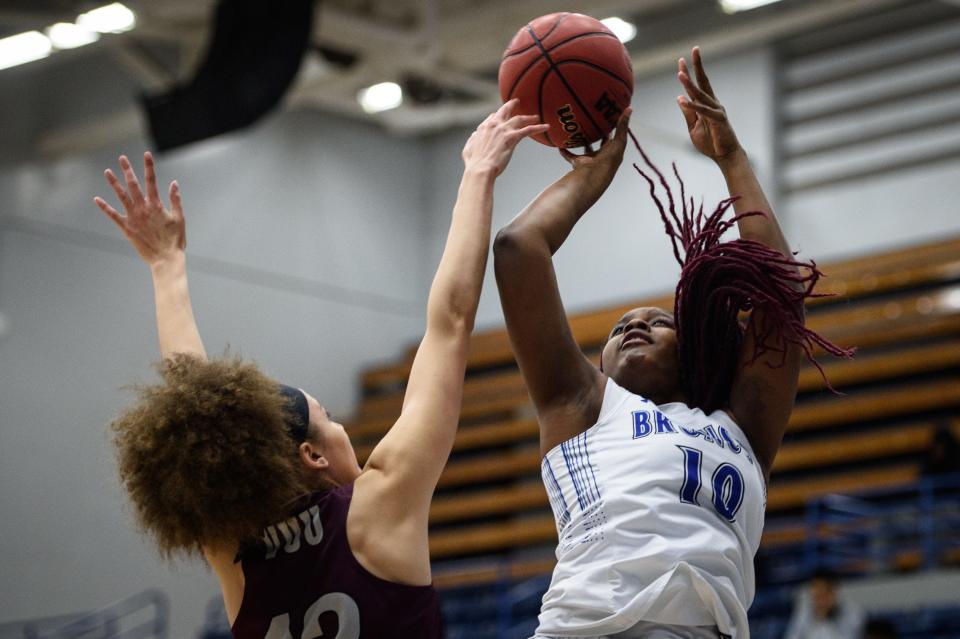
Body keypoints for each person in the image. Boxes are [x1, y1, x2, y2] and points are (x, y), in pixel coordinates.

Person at [95, 100, 548, 638]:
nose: (342, 429)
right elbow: (449, 320)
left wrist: (166, 268)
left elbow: (194, 416)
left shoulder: (232, 553)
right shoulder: (376, 510)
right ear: (310, 455)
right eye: (328, 417)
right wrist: (477, 174)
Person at [493, 47, 852, 639]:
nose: (633, 326)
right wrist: (590, 174)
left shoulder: (745, 428)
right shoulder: (582, 406)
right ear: (599, 366)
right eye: (617, 330)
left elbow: (780, 293)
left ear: (696, 350)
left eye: (658, 321)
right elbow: (518, 248)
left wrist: (732, 158)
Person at [783, 569, 866, 639]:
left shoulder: (853, 612)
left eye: (824, 593)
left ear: (834, 592)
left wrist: (826, 617)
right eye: (816, 594)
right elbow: (792, 636)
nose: (819, 599)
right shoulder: (805, 610)